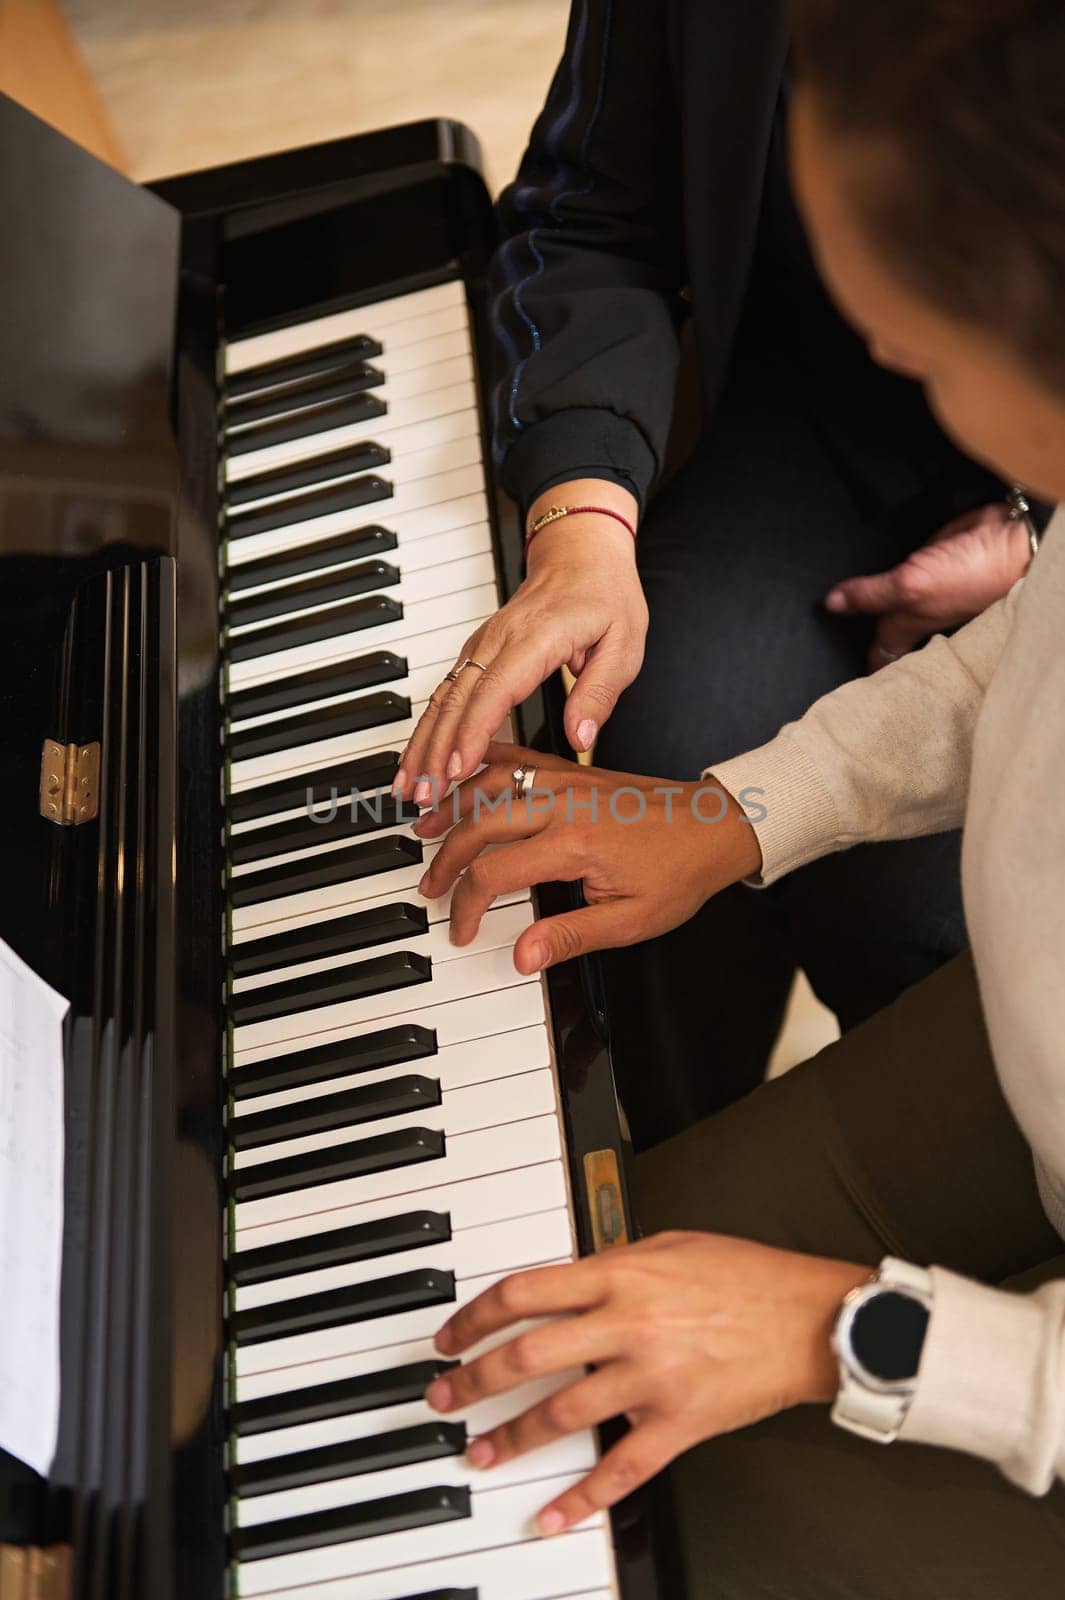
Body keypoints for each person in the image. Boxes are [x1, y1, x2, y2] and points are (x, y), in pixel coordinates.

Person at [410, 1, 1065, 1593]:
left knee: (617, 1526)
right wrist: (735, 810)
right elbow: (1021, 657)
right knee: (533, 1297)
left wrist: (836, 1331)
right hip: (1025, 1093)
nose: (871, 348)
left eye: (895, 329)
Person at [392, 0, 1043, 1147]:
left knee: (918, 912)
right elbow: (588, 207)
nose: (887, 332)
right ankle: (658, 1145)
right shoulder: (878, 326)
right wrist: (583, 511)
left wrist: (1036, 542)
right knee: (642, 742)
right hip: (808, 419)